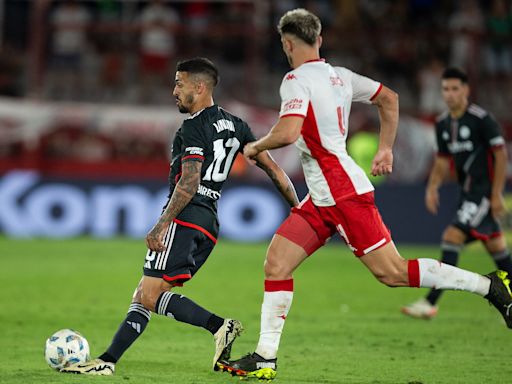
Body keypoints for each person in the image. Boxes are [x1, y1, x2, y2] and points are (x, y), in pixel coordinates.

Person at [215, 9, 512, 381]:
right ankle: (265, 357)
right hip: (321, 197)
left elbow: (290, 132)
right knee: (277, 263)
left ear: (287, 44)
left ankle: (490, 286)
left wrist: (256, 147)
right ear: (319, 40)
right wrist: (385, 148)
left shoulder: (294, 80)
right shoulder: (341, 76)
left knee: (392, 273)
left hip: (342, 194)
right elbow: (389, 98)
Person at [61, 57, 299, 375]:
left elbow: (189, 181)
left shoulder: (193, 127)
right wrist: (299, 210)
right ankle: (108, 361)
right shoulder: (237, 125)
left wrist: (161, 224)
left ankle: (217, 326)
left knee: (148, 294)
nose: (174, 90)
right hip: (210, 224)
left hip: (185, 218)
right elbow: (274, 170)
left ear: (199, 87)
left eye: (179, 83)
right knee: (146, 293)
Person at [401, 67, 511, 319]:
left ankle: (430, 302)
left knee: (452, 236)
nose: (449, 94)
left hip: (482, 193)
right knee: (497, 248)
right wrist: (432, 186)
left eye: (454, 89)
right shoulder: (442, 124)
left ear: (466, 90)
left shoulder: (481, 119)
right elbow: (442, 160)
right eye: (445, 89)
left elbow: (501, 155)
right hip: (467, 193)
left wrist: (496, 194)